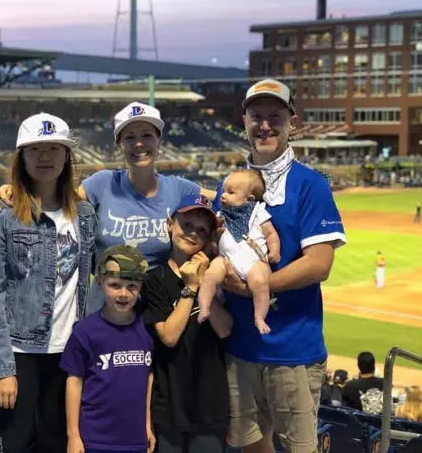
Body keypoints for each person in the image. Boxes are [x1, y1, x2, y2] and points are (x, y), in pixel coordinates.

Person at [213, 79, 346, 453]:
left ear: (293, 122)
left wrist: (258, 284)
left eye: (275, 116)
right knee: (251, 445)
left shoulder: (310, 185)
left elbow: (319, 265)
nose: (265, 125)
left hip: (293, 349)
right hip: (241, 348)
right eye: (257, 116)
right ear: (244, 120)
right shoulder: (232, 182)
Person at [0, 102, 208, 313]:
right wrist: (16, 189)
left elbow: (229, 199)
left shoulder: (179, 189)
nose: (139, 143)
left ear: (158, 140)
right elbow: (55, 201)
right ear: (119, 144)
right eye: (129, 137)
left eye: (147, 135)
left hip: (159, 312)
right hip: (104, 311)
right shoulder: (101, 183)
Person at [0, 112, 97, 453]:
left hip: (68, 357)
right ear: (21, 158)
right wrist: (1, 370)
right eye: (35, 150)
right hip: (18, 357)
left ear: (66, 155)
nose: (45, 157)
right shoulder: (1, 216)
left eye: (54, 148)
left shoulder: (85, 215)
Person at [141, 195, 232, 453]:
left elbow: (224, 328)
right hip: (169, 403)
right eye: (186, 224)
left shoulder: (218, 277)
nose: (192, 233)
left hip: (209, 404)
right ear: (171, 224)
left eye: (201, 230)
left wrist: (205, 284)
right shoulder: (155, 279)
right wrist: (190, 288)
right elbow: (169, 336)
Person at [61, 245, 155, 453]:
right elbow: (74, 382)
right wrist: (73, 435)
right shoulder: (85, 331)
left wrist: (147, 426)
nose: (123, 293)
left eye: (132, 286)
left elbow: (148, 378)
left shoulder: (147, 329)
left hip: (135, 439)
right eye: (115, 285)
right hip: (94, 439)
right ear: (101, 283)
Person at [197, 169, 280, 334]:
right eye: (223, 191)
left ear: (249, 199)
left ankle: (259, 317)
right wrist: (214, 240)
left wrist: (275, 250)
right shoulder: (221, 215)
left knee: (261, 283)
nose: (223, 195)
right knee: (210, 275)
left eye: (230, 192)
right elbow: (214, 240)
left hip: (253, 260)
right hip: (226, 258)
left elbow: (270, 234)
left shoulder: (257, 212)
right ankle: (205, 307)